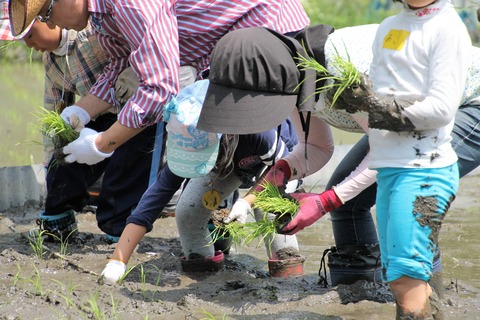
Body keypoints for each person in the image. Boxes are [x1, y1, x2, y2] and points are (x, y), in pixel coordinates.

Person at [7, 0, 309, 240]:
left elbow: (157, 89)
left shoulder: (129, 4)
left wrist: (101, 143)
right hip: (219, 57)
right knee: (214, 154)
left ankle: (283, 251)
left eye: (48, 11)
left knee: (269, 152)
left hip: (263, 36)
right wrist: (82, 111)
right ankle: (212, 241)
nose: (51, 22)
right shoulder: (102, 16)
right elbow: (123, 65)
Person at [100, 79, 333, 283]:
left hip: (281, 163)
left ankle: (287, 271)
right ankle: (204, 272)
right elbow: (152, 201)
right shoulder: (191, 138)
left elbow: (280, 169)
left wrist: (247, 201)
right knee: (188, 212)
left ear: (220, 141)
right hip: (227, 161)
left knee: (270, 210)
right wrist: (118, 260)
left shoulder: (257, 131)